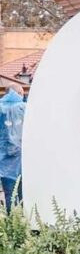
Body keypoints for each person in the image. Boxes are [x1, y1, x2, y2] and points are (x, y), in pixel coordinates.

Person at [0, 84, 25, 212]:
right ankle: (24, 224)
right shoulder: (24, 108)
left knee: (10, 194)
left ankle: (12, 225)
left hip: (4, 162)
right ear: (19, 93)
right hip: (23, 160)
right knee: (23, 195)